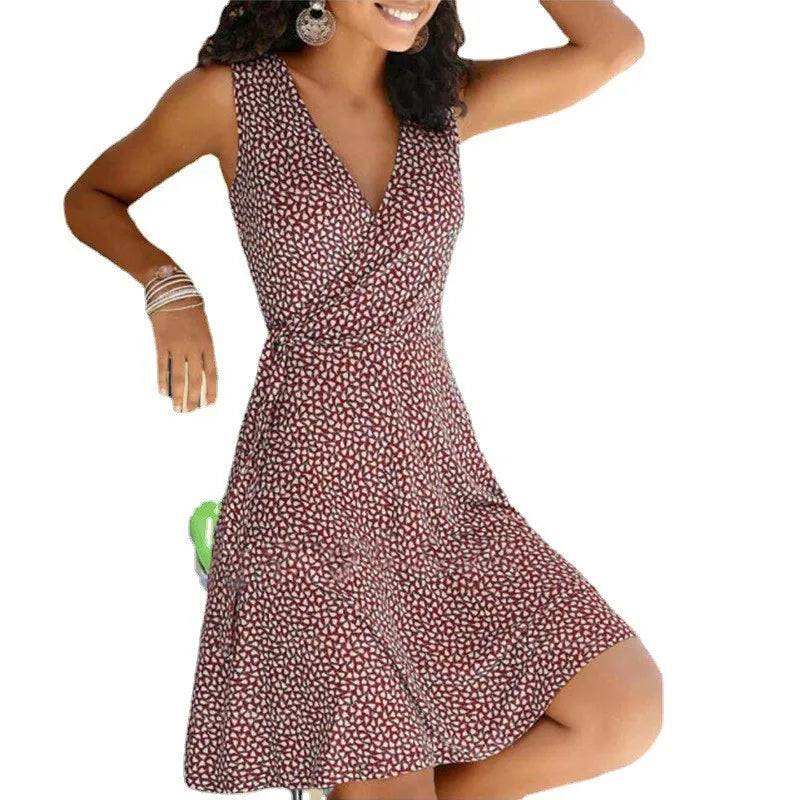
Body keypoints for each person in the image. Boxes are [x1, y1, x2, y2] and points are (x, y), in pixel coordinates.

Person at [64, 2, 660, 799]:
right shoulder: (228, 98)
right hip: (310, 491)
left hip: (439, 478)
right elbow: (94, 194)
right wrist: (167, 286)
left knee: (621, 710)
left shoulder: (441, 104)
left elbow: (612, 47)